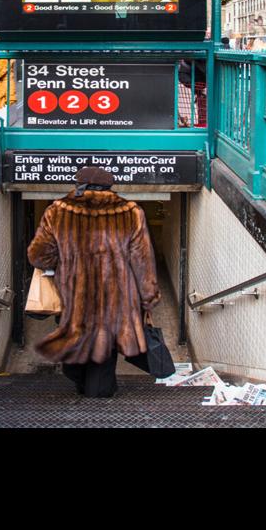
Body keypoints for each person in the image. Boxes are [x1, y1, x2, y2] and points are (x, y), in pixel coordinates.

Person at [27, 167, 161, 398]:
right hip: (117, 295)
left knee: (74, 338)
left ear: (79, 185)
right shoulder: (131, 213)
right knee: (106, 345)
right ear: (110, 187)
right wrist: (148, 295)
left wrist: (61, 259)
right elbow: (142, 259)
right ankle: (98, 392)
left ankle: (84, 382)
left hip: (74, 293)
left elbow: (38, 255)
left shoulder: (57, 212)